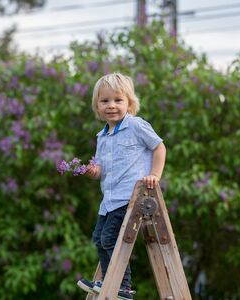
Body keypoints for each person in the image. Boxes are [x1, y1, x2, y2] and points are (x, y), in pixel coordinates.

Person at [77, 73, 166, 300]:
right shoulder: (102, 137)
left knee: (110, 238)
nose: (111, 106)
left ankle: (123, 286)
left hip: (131, 197)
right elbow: (100, 169)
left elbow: (159, 148)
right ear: (97, 106)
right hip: (108, 199)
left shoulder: (136, 126)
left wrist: (155, 174)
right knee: (99, 238)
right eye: (105, 101)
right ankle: (109, 280)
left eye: (118, 100)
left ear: (129, 102)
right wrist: (92, 171)